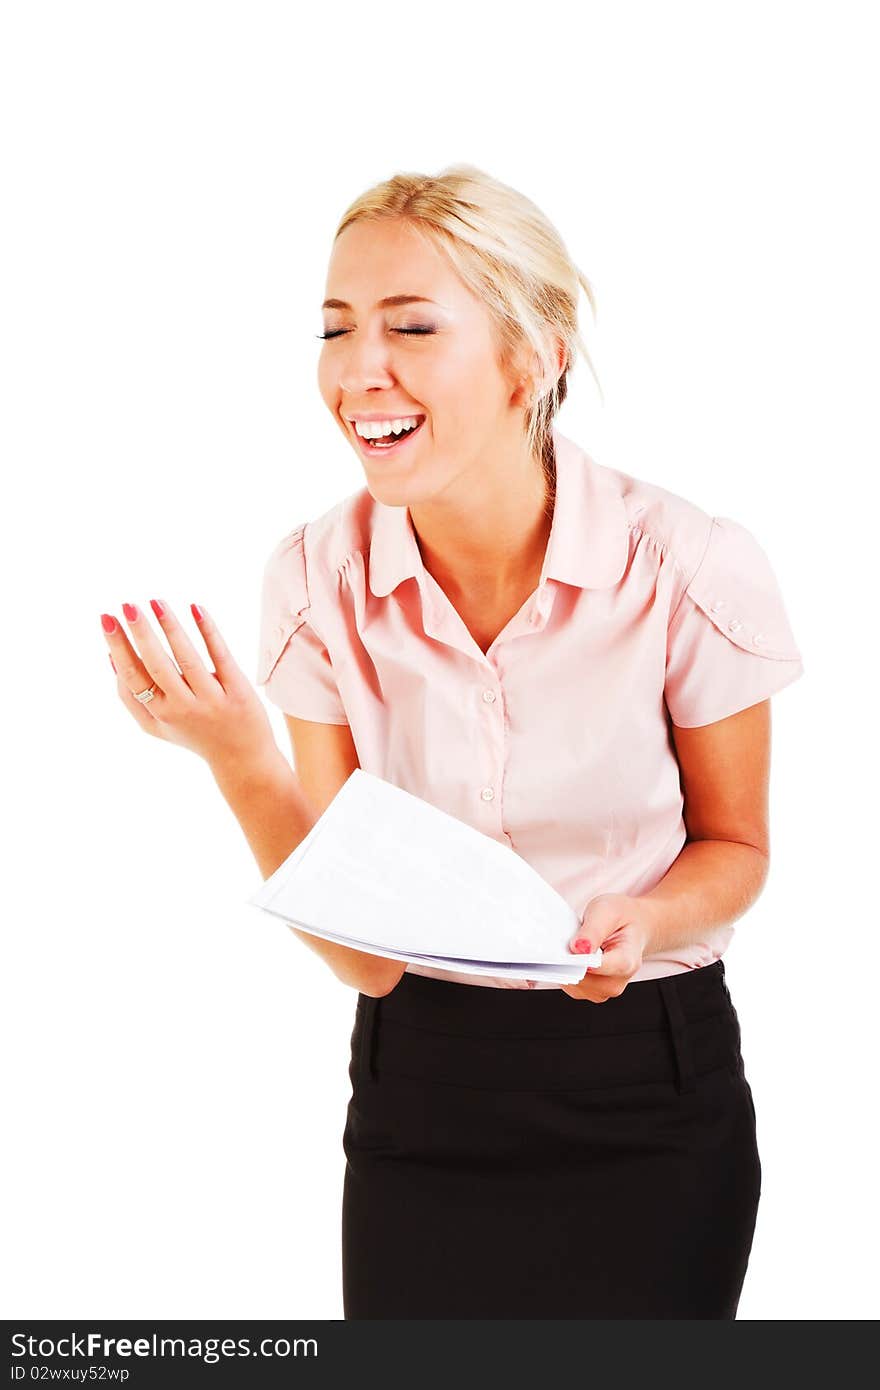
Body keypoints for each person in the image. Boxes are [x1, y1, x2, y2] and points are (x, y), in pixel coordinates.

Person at [101, 164, 805, 1319]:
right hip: (420, 1090)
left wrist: (651, 917)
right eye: (335, 328)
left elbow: (738, 848)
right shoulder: (313, 579)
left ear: (534, 356)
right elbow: (367, 959)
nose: (356, 369)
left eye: (412, 327)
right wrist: (238, 755)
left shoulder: (689, 565)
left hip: (650, 1090)